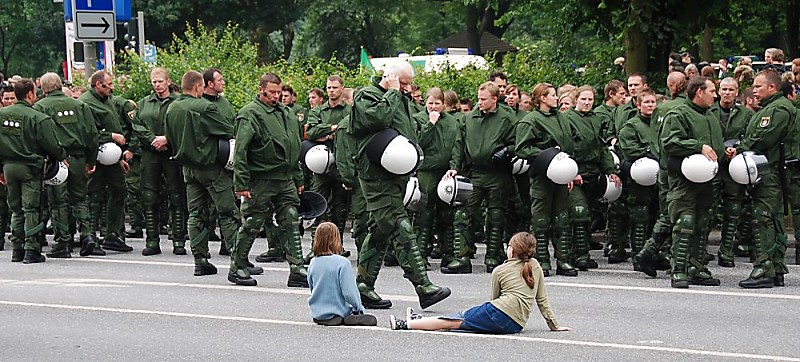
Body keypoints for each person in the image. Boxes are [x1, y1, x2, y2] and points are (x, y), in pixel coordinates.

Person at [349, 61, 450, 309]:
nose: (407, 88)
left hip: (395, 175)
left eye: (408, 84)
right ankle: (424, 287)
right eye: (403, 83)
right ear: (390, 77)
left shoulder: (401, 99)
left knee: (380, 230)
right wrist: (393, 91)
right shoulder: (368, 95)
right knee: (398, 223)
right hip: (375, 174)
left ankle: (363, 286)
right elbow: (377, 118)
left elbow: (410, 133)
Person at [389, 232, 571, 334]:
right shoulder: (535, 265)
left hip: (498, 313)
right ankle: (421, 321)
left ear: (512, 250)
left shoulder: (500, 270)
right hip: (516, 324)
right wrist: (554, 325)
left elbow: (494, 300)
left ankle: (406, 324)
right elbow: (542, 300)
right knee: (462, 324)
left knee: (455, 321)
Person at [229, 72, 307, 287]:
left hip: (285, 177)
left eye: (278, 92)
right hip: (261, 178)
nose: (276, 96)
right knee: (253, 220)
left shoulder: (287, 114)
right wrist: (241, 183)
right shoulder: (250, 113)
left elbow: (295, 147)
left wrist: (298, 178)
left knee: (291, 218)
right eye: (271, 92)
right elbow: (241, 151)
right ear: (261, 89)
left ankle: (297, 268)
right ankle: (237, 266)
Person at [164, 70, 240, 277]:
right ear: (199, 87)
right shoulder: (206, 107)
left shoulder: (172, 108)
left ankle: (200, 260)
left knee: (196, 214)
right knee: (228, 213)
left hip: (188, 170)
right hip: (211, 167)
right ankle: (238, 260)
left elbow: (169, 137)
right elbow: (228, 129)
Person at [727, 70, 797, 288]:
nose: (754, 90)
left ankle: (764, 269)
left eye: (758, 86)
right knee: (772, 219)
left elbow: (763, 139)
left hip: (770, 173)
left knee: (763, 219)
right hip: (769, 171)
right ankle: (775, 268)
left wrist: (740, 148)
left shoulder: (778, 110)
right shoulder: (771, 108)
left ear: (772, 88)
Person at [444, 82, 516, 273]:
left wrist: (507, 151)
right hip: (474, 173)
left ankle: (493, 256)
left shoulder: (507, 118)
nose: (480, 102)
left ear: (495, 99)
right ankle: (462, 257)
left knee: (496, 216)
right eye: (478, 98)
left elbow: (518, 142)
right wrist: (454, 168)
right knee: (462, 214)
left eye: (483, 99)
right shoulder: (469, 119)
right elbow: (458, 145)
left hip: (497, 174)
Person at [661, 76, 724, 288]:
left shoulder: (710, 115)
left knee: (702, 222)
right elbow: (670, 142)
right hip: (684, 180)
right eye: (712, 91)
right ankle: (679, 270)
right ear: (699, 92)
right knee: (685, 222)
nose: (716, 95)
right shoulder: (678, 114)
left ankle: (697, 267)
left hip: (708, 180)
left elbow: (716, 145)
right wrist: (698, 147)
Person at [0, 79, 67, 263]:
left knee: (15, 209)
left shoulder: (2, 114)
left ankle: (17, 249)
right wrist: (61, 156)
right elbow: (51, 145)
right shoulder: (37, 117)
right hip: (30, 167)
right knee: (31, 208)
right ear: (30, 94)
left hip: (8, 167)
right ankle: (32, 249)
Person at [33, 72, 99, 258]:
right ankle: (87, 235)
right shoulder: (80, 105)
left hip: (56, 161)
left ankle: (63, 242)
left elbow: (41, 136)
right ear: (60, 85)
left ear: (43, 88)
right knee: (80, 198)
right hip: (79, 158)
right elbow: (92, 135)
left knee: (57, 201)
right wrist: (91, 159)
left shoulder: (40, 107)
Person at [516, 83, 578, 277]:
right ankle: (540, 260)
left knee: (562, 218)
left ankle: (563, 259)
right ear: (542, 98)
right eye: (552, 95)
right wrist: (547, 154)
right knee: (541, 220)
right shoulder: (531, 120)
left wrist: (568, 170)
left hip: (560, 174)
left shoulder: (562, 118)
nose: (556, 98)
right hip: (542, 175)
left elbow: (570, 144)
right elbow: (522, 148)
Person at [635, 72, 688, 276]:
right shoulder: (683, 108)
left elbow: (656, 141)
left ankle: (652, 251)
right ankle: (671, 257)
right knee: (682, 215)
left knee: (668, 212)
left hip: (665, 166)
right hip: (684, 170)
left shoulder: (662, 108)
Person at [131, 67, 186, 256]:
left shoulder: (179, 102)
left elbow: (184, 124)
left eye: (160, 81)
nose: (157, 85)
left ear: (168, 81)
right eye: (154, 82)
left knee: (177, 195)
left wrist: (167, 139)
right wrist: (153, 139)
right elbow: (136, 125)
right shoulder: (144, 103)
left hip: (172, 152)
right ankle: (152, 241)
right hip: (150, 153)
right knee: (149, 197)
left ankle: (179, 240)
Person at [565, 86, 620, 270]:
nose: (587, 103)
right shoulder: (568, 119)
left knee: (587, 215)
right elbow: (565, 149)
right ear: (576, 100)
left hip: (593, 174)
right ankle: (578, 255)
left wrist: (610, 170)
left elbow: (602, 148)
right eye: (583, 99)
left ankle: (582, 252)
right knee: (579, 212)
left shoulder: (595, 120)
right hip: (575, 173)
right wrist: (570, 173)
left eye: (590, 100)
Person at [80, 71, 134, 254]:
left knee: (120, 190)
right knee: (94, 196)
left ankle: (112, 234)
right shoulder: (86, 103)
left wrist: (119, 159)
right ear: (97, 85)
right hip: (96, 156)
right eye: (108, 84)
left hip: (112, 157)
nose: (112, 87)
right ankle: (90, 238)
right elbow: (88, 133)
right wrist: (110, 136)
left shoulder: (107, 100)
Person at [305, 75, 352, 252]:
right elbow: (311, 131)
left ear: (342, 88)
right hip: (320, 165)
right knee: (317, 204)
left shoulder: (349, 111)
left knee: (340, 208)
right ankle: (315, 247)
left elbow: (351, 130)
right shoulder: (318, 111)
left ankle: (337, 247)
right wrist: (334, 128)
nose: (331, 90)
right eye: (328, 87)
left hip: (342, 164)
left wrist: (326, 132)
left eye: (334, 87)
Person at [710, 78, 754, 268]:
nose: (727, 93)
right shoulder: (708, 111)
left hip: (735, 167)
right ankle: (700, 250)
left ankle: (726, 251)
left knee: (733, 210)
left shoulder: (746, 114)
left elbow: (750, 136)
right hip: (711, 165)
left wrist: (738, 148)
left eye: (731, 89)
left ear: (737, 92)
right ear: (719, 91)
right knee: (707, 208)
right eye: (724, 89)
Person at [411, 88, 458, 264]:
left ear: (444, 104)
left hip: (445, 172)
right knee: (424, 215)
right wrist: (430, 124)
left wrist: (454, 166)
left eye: (437, 103)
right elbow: (419, 143)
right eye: (430, 103)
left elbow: (456, 145)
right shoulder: (418, 119)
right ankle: (420, 257)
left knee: (446, 215)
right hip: (427, 171)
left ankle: (448, 254)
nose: (434, 107)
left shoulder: (452, 122)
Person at [617, 89, 659, 270]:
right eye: (646, 102)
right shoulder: (631, 126)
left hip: (658, 176)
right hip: (638, 178)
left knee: (656, 215)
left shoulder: (660, 123)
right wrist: (648, 152)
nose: (650, 105)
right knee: (639, 217)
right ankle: (638, 256)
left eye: (652, 102)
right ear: (638, 105)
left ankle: (654, 254)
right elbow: (629, 151)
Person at [307, 222, 377, 326]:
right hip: (339, 310)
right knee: (356, 312)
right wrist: (359, 308)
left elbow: (312, 287)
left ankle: (323, 315)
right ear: (336, 240)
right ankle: (348, 315)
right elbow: (349, 292)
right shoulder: (342, 263)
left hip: (317, 311)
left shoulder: (313, 262)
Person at [202, 68, 236, 252]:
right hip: (208, 162)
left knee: (227, 206)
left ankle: (227, 245)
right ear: (209, 84)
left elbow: (233, 126)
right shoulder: (200, 104)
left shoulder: (224, 103)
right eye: (220, 80)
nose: (223, 83)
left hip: (227, 160)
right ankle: (202, 251)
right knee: (203, 209)